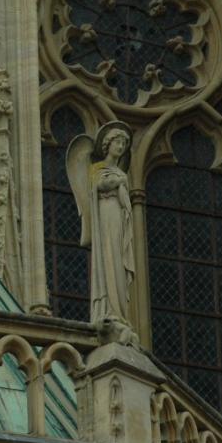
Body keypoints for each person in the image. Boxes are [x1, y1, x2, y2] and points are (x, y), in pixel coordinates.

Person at [88, 125, 134, 323]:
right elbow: (99, 185)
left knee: (117, 258)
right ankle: (107, 306)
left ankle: (119, 310)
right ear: (108, 145)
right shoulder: (97, 168)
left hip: (119, 215)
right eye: (117, 142)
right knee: (108, 254)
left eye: (123, 144)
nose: (121, 147)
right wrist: (119, 180)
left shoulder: (120, 172)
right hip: (106, 213)